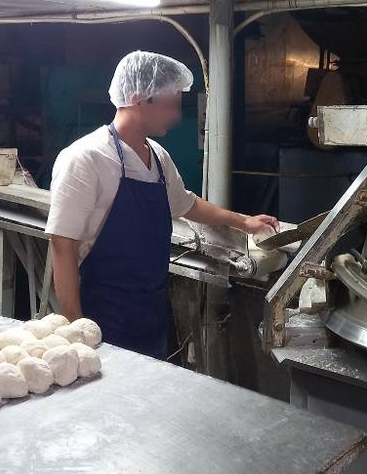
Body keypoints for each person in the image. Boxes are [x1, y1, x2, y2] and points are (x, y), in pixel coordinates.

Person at [46, 50, 278, 359]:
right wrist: (78, 331)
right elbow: (62, 246)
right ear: (139, 99)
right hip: (102, 315)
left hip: (151, 312)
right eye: (171, 105)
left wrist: (244, 222)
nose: (176, 116)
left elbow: (187, 204)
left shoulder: (158, 157)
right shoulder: (86, 158)